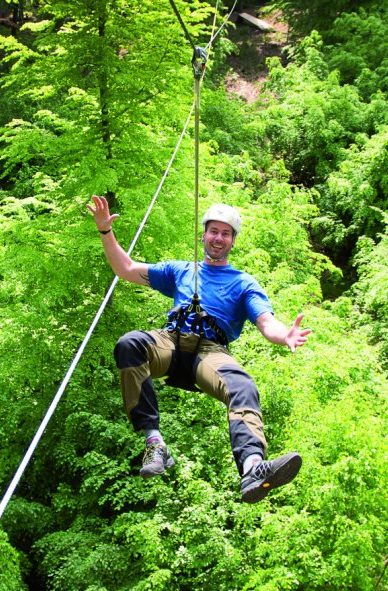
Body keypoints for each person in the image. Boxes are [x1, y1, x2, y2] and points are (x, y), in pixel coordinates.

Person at [88, 194, 312, 503]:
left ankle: (252, 468)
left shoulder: (243, 283)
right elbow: (125, 268)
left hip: (210, 352)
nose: (219, 238)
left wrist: (283, 334)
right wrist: (105, 230)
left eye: (226, 233)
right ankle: (154, 443)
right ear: (204, 234)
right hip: (171, 341)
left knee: (242, 386)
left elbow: (265, 321)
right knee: (130, 345)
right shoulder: (180, 270)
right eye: (214, 231)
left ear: (233, 241)